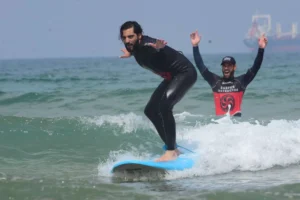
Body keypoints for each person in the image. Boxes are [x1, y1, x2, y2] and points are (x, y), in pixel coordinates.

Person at [118, 21, 197, 161]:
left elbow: (152, 48)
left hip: (185, 73)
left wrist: (159, 48)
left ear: (139, 35)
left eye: (131, 37)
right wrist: (130, 53)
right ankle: (172, 147)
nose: (127, 40)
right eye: (124, 38)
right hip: (171, 77)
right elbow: (137, 48)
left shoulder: (148, 45)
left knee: (165, 106)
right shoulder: (135, 47)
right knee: (150, 110)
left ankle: (171, 151)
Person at [190, 30, 268, 117]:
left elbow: (255, 68)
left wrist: (261, 49)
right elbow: (201, 67)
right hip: (220, 125)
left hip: (236, 125)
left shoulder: (241, 82)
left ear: (234, 67)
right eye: (224, 66)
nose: (226, 68)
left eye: (229, 66)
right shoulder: (215, 82)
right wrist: (195, 46)